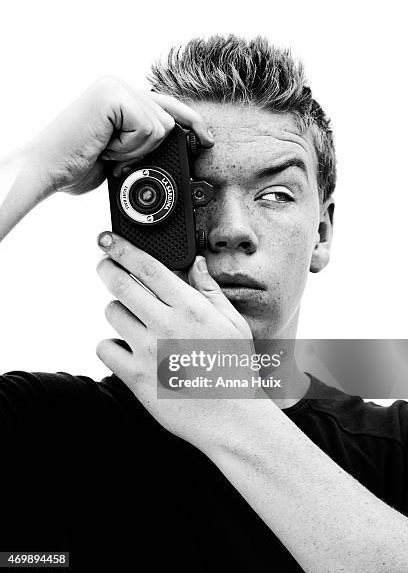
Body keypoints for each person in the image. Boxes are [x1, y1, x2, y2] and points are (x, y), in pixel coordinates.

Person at [0, 35, 407, 572]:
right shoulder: (43, 433)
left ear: (323, 233)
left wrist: (230, 408)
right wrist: (37, 164)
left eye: (276, 194)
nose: (232, 232)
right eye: (195, 193)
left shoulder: (396, 449)